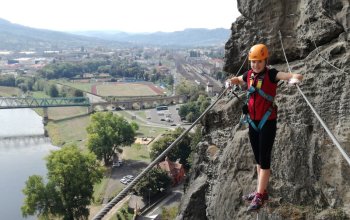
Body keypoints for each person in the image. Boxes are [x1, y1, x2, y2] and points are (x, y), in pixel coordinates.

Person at [229, 44, 303, 212]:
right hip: (253, 123)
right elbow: (237, 79)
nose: (256, 65)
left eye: (259, 61)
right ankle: (259, 191)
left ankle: (260, 195)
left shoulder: (271, 74)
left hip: (267, 122)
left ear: (265, 60)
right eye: (253, 62)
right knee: (258, 159)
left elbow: (295, 75)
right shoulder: (248, 75)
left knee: (264, 161)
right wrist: (230, 81)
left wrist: (293, 79)